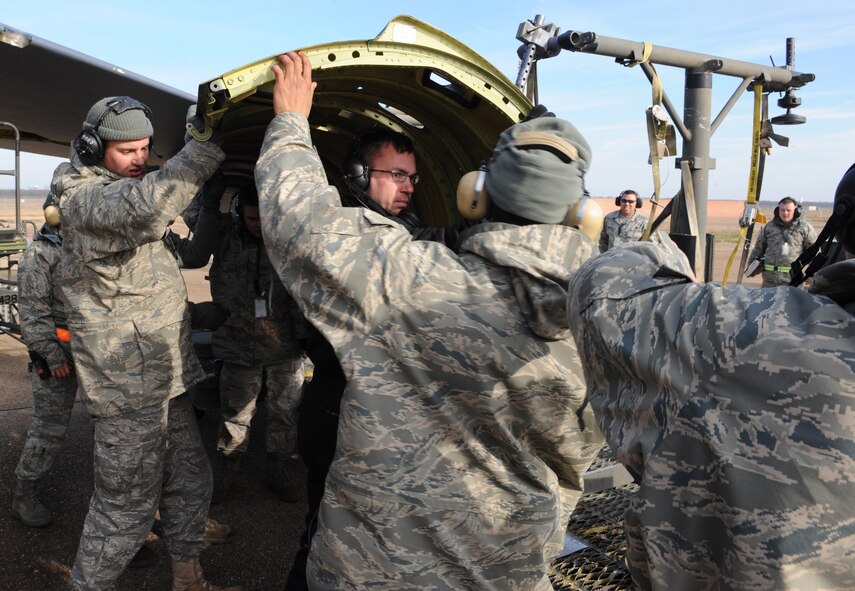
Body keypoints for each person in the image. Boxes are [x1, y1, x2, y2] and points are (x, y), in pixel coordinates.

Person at [258, 52, 604, 591]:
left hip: (376, 566)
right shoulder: (614, 318)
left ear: (476, 194)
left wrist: (291, 123)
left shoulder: (409, 273)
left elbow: (301, 218)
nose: (409, 186)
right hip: (508, 568)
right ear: (583, 214)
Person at [566, 168, 855, 590]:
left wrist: (674, 270)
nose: (627, 207)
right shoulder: (614, 224)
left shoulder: (745, 339)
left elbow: (605, 288)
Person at [53, 95, 244, 590]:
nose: (140, 159)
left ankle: (188, 579)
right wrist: (201, 150)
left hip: (164, 379)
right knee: (125, 510)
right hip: (126, 390)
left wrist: (213, 201)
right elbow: (146, 207)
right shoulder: (85, 199)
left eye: (145, 149)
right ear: (93, 148)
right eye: (127, 151)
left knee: (191, 482)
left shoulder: (123, 190)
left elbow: (182, 257)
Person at [283, 128, 460, 590]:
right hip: (338, 407)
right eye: (397, 174)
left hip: (377, 413)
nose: (407, 187)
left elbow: (421, 241)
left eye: (413, 178)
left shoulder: (401, 229)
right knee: (325, 530)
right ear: (360, 174)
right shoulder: (342, 231)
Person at [188, 181, 306, 503]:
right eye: (252, 219)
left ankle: (277, 469)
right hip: (238, 343)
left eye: (264, 219)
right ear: (241, 213)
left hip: (285, 346)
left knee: (285, 413)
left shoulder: (285, 238)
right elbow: (194, 218)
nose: (259, 226)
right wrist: (208, 184)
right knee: (235, 414)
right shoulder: (225, 234)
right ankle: (228, 470)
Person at [11, 195, 78, 528]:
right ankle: (24, 494)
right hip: (60, 355)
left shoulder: (87, 246)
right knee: (49, 428)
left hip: (96, 353)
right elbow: (33, 313)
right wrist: (51, 355)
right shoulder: (39, 255)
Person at [748, 196, 817, 287]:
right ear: (777, 210)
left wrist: (814, 275)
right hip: (769, 281)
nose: (785, 213)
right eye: (782, 210)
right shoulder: (769, 227)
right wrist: (750, 269)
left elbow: (814, 253)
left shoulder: (805, 228)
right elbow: (758, 248)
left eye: (789, 210)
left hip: (793, 281)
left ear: (796, 211)